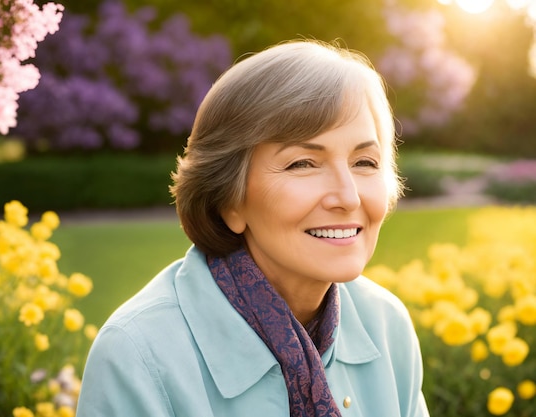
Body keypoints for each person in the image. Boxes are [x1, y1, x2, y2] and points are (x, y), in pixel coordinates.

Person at [76, 39, 430, 417]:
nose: (348, 197)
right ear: (229, 198)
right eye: (303, 163)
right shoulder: (137, 354)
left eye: (365, 162)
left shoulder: (387, 325)